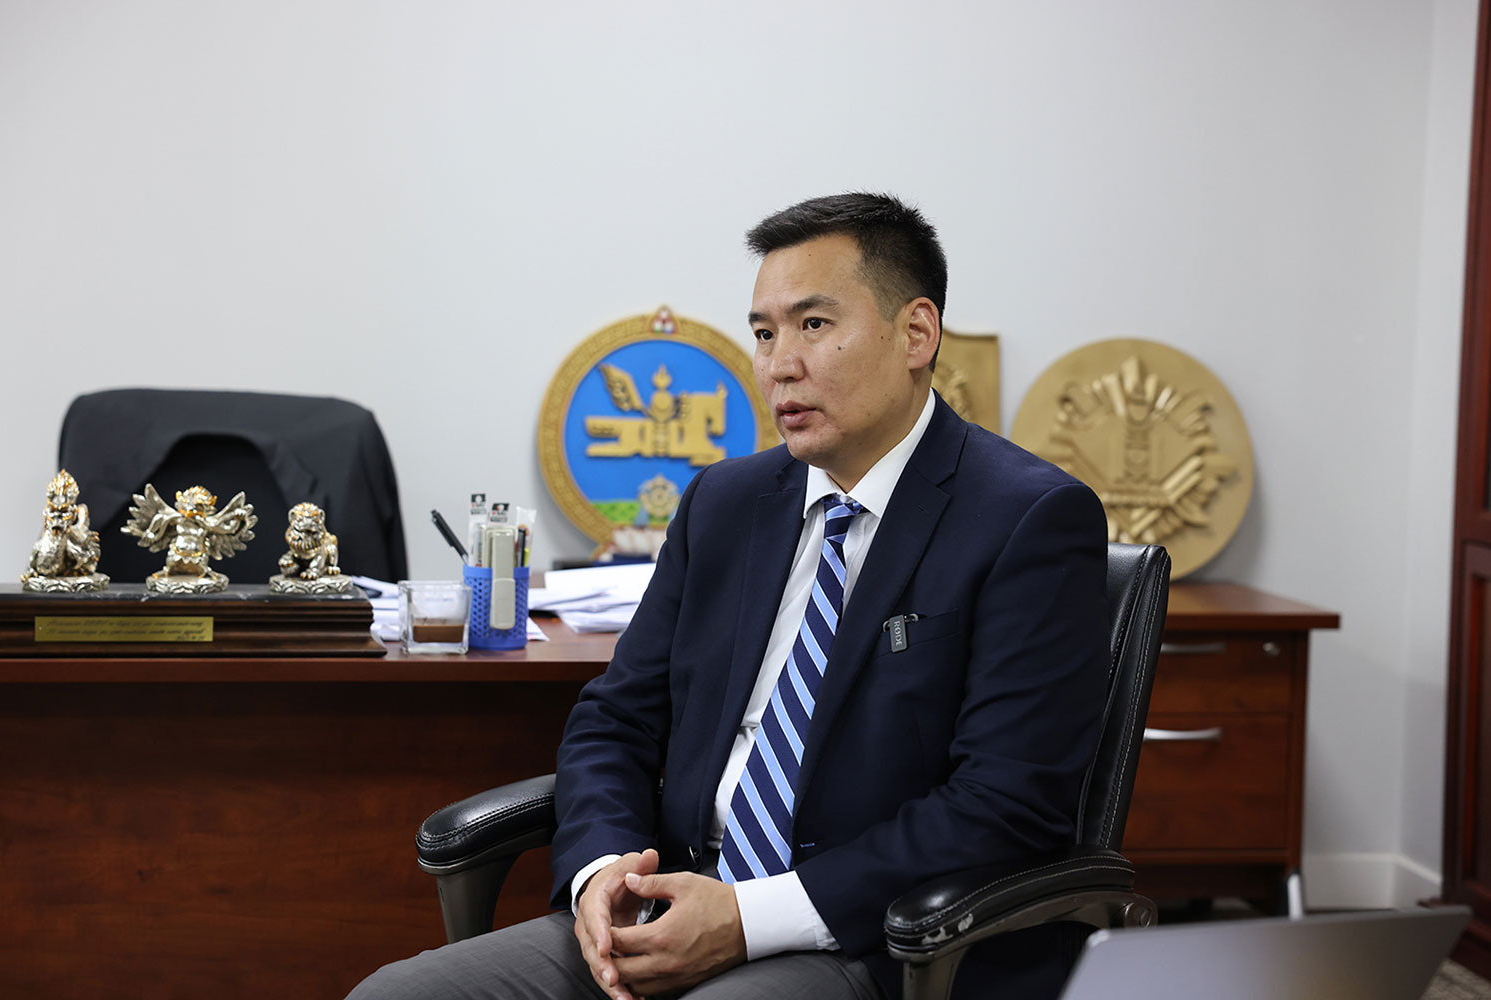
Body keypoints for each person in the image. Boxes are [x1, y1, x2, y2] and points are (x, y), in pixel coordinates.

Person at [349, 193, 1108, 1000]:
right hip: (670, 900)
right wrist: (604, 874)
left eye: (813, 324)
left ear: (916, 334)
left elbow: (1004, 805)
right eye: (765, 333)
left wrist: (747, 918)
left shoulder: (1027, 519)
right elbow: (616, 719)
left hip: (871, 941)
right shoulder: (726, 502)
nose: (780, 365)